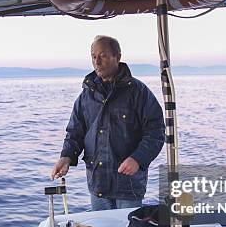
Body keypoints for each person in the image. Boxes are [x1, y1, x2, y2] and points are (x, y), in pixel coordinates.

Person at [50, 35, 165, 210]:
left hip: (129, 186)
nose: (97, 61)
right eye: (93, 56)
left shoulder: (138, 92)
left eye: (102, 55)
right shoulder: (85, 96)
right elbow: (75, 133)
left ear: (117, 57)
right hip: (98, 185)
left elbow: (156, 131)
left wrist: (138, 158)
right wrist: (66, 157)